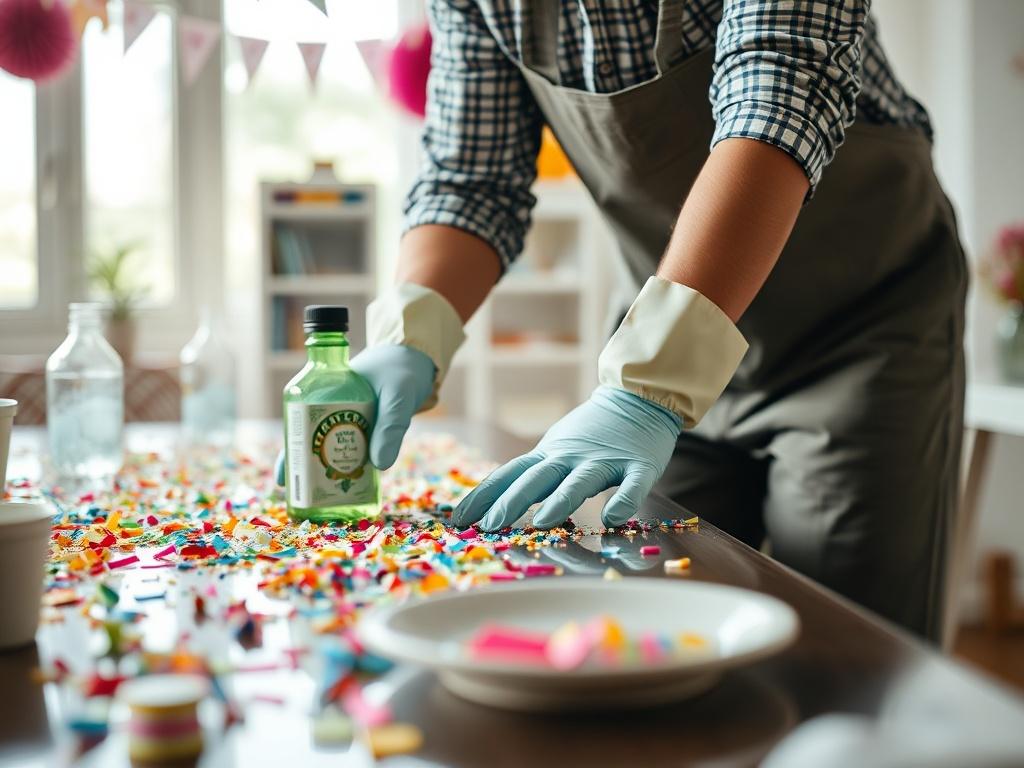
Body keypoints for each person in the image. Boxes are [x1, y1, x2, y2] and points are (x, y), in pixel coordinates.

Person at [346, 1, 966, 641]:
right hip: (657, 345)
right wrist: (410, 331)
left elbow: (779, 93)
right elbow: (471, 178)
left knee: (849, 645)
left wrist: (649, 386)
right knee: (647, 617)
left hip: (858, 331)